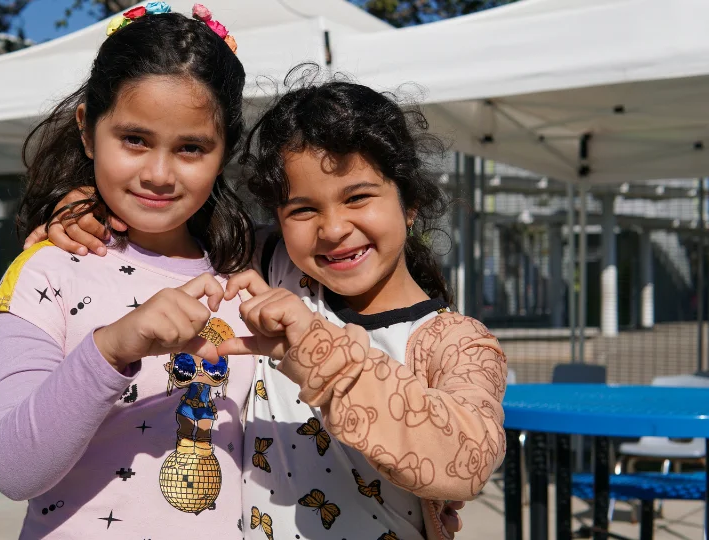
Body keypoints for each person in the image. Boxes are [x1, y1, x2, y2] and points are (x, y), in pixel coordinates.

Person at [31, 76, 506, 540]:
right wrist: (86, 203)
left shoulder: (457, 341)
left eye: (358, 197)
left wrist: (321, 354)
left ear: (411, 202)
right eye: (302, 209)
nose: (333, 228)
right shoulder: (278, 271)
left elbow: (468, 460)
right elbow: (181, 208)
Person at [0, 6, 259, 539]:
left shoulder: (249, 270)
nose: (158, 173)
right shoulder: (48, 268)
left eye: (191, 148)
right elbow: (10, 469)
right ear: (87, 130)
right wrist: (112, 348)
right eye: (134, 139)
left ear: (224, 153)